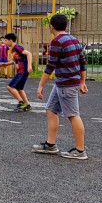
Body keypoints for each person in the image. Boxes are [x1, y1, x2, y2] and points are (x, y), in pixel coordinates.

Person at [34, 14, 88, 160]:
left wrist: (40, 85)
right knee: (51, 110)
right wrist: (82, 82)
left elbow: (50, 66)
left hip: (66, 84)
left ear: (51, 27)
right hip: (63, 83)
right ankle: (50, 145)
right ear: (66, 26)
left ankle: (80, 150)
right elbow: (83, 62)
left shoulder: (57, 42)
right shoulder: (74, 40)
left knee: (73, 115)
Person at [2, 33, 33, 112]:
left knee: (10, 87)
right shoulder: (13, 50)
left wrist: (29, 66)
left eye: (6, 40)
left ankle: (21, 102)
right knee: (19, 88)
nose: (5, 42)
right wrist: (6, 64)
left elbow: (29, 54)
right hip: (21, 71)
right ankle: (27, 105)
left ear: (11, 40)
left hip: (22, 71)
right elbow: (16, 60)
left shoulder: (18, 47)